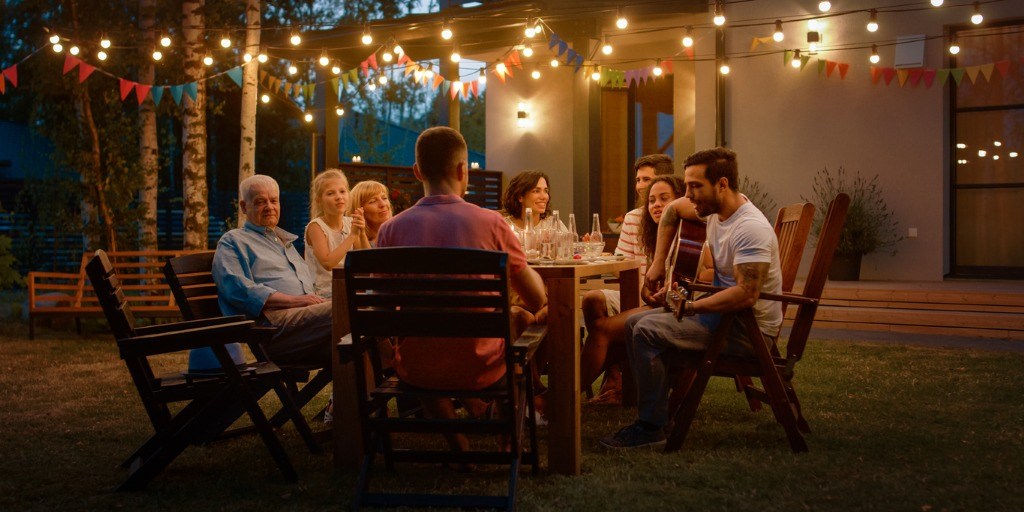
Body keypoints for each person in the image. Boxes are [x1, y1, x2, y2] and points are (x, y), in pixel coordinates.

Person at [377, 126, 547, 454]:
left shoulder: (390, 231)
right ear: (462, 171)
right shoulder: (492, 224)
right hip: (483, 366)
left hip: (416, 369)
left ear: (416, 172)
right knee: (524, 328)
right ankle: (506, 432)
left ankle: (457, 443)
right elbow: (536, 299)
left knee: (422, 348)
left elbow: (381, 311)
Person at [599, 147, 783, 450]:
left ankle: (651, 426)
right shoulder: (712, 210)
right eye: (686, 186)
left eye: (695, 186)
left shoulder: (750, 228)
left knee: (645, 331)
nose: (688, 194)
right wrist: (658, 264)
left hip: (744, 332)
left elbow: (746, 294)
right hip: (719, 319)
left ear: (722, 184)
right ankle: (657, 415)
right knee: (634, 323)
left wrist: (692, 306)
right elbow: (671, 211)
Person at [580, 175, 696, 404]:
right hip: (659, 303)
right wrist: (647, 290)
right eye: (651, 200)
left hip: (681, 309)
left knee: (602, 331)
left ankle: (560, 399)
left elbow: (693, 281)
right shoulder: (651, 231)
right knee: (593, 302)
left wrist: (664, 294)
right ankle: (611, 382)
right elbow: (645, 280)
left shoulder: (691, 236)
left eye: (665, 199)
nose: (657, 205)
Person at [212, 174, 332, 369]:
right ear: (244, 207)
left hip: (306, 327)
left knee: (361, 331)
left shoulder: (283, 242)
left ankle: (366, 395)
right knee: (348, 309)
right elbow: (237, 288)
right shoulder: (233, 241)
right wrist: (296, 301)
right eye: (260, 202)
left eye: (273, 200)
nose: (269, 207)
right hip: (271, 331)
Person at [304, 169, 369, 298]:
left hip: (350, 288)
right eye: (330, 193)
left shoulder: (350, 223)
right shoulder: (316, 227)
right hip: (324, 293)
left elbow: (367, 261)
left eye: (342, 191)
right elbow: (328, 263)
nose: (339, 197)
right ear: (319, 200)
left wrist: (361, 232)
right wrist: (352, 236)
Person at [500, 171, 564, 241]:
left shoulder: (553, 224)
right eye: (536, 191)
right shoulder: (504, 227)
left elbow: (571, 249)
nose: (544, 197)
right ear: (520, 197)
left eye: (546, 191)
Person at [347, 180, 393, 247]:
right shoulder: (353, 243)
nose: (383, 204)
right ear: (358, 210)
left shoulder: (399, 234)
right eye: (373, 201)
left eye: (384, 198)